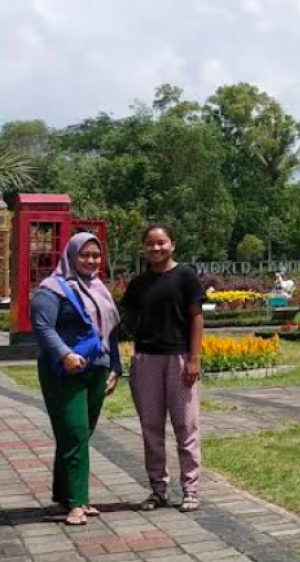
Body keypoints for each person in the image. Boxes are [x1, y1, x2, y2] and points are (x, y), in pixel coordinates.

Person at [30, 232, 122, 526]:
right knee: (75, 433)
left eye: (96, 255)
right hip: (64, 372)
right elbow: (43, 328)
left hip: (97, 369)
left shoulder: (99, 289)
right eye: (85, 254)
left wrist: (115, 368)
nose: (91, 260)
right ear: (71, 255)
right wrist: (64, 354)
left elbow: (110, 331)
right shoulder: (51, 289)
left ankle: (63, 495)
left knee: (78, 434)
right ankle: (78, 502)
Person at [121, 224, 204, 512]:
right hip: (146, 360)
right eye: (150, 244)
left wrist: (194, 358)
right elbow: (126, 320)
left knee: (186, 425)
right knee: (151, 427)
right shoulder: (138, 284)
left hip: (179, 358)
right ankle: (158, 489)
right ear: (143, 248)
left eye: (161, 243)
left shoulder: (186, 277)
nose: (156, 248)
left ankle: (190, 489)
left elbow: (196, 318)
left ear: (172, 244)